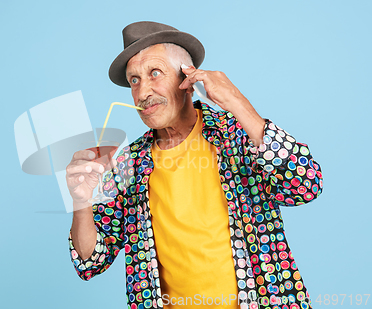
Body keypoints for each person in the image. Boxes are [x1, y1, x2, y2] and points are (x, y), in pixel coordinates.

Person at [66, 21, 323, 309]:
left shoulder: (239, 135)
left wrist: (238, 103)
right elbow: (90, 260)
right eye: (134, 80)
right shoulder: (128, 164)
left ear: (187, 80)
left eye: (155, 73)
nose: (143, 92)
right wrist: (81, 201)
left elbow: (306, 186)